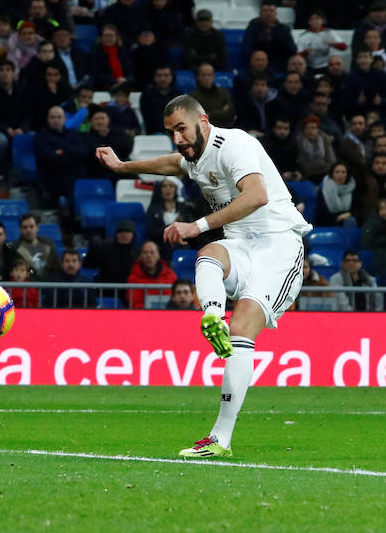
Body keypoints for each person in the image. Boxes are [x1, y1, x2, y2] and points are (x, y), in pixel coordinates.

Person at [96, 94, 311, 458]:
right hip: (241, 242)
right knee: (208, 256)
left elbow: (257, 195)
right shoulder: (194, 156)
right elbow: (171, 164)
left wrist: (196, 224)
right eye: (171, 132)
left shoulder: (236, 143)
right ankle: (213, 317)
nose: (178, 138)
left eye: (182, 129)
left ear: (204, 121)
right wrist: (122, 167)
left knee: (243, 328)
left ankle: (220, 439)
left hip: (278, 246)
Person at [127, 240, 178, 309]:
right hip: (144, 315)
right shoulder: (133, 278)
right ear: (141, 256)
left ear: (158, 255)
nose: (149, 255)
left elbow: (176, 299)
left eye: (152, 252)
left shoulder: (170, 275)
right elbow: (135, 303)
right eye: (145, 252)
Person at [9, 213, 60, 280]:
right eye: (25, 227)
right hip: (26, 287)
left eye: (31, 226)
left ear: (37, 227)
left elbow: (56, 267)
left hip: (48, 285)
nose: (28, 230)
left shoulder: (49, 245)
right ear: (20, 229)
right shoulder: (14, 248)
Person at [316, 162, 357, 227]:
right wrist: (338, 218)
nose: (340, 175)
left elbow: (357, 209)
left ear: (347, 174)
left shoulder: (352, 188)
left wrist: (350, 214)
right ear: (332, 174)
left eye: (343, 172)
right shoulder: (324, 189)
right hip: (327, 223)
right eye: (337, 172)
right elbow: (320, 212)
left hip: (348, 220)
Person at [361, 198, 386, 276]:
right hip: (379, 257)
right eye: (382, 208)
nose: (385, 212)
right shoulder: (372, 223)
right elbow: (366, 243)